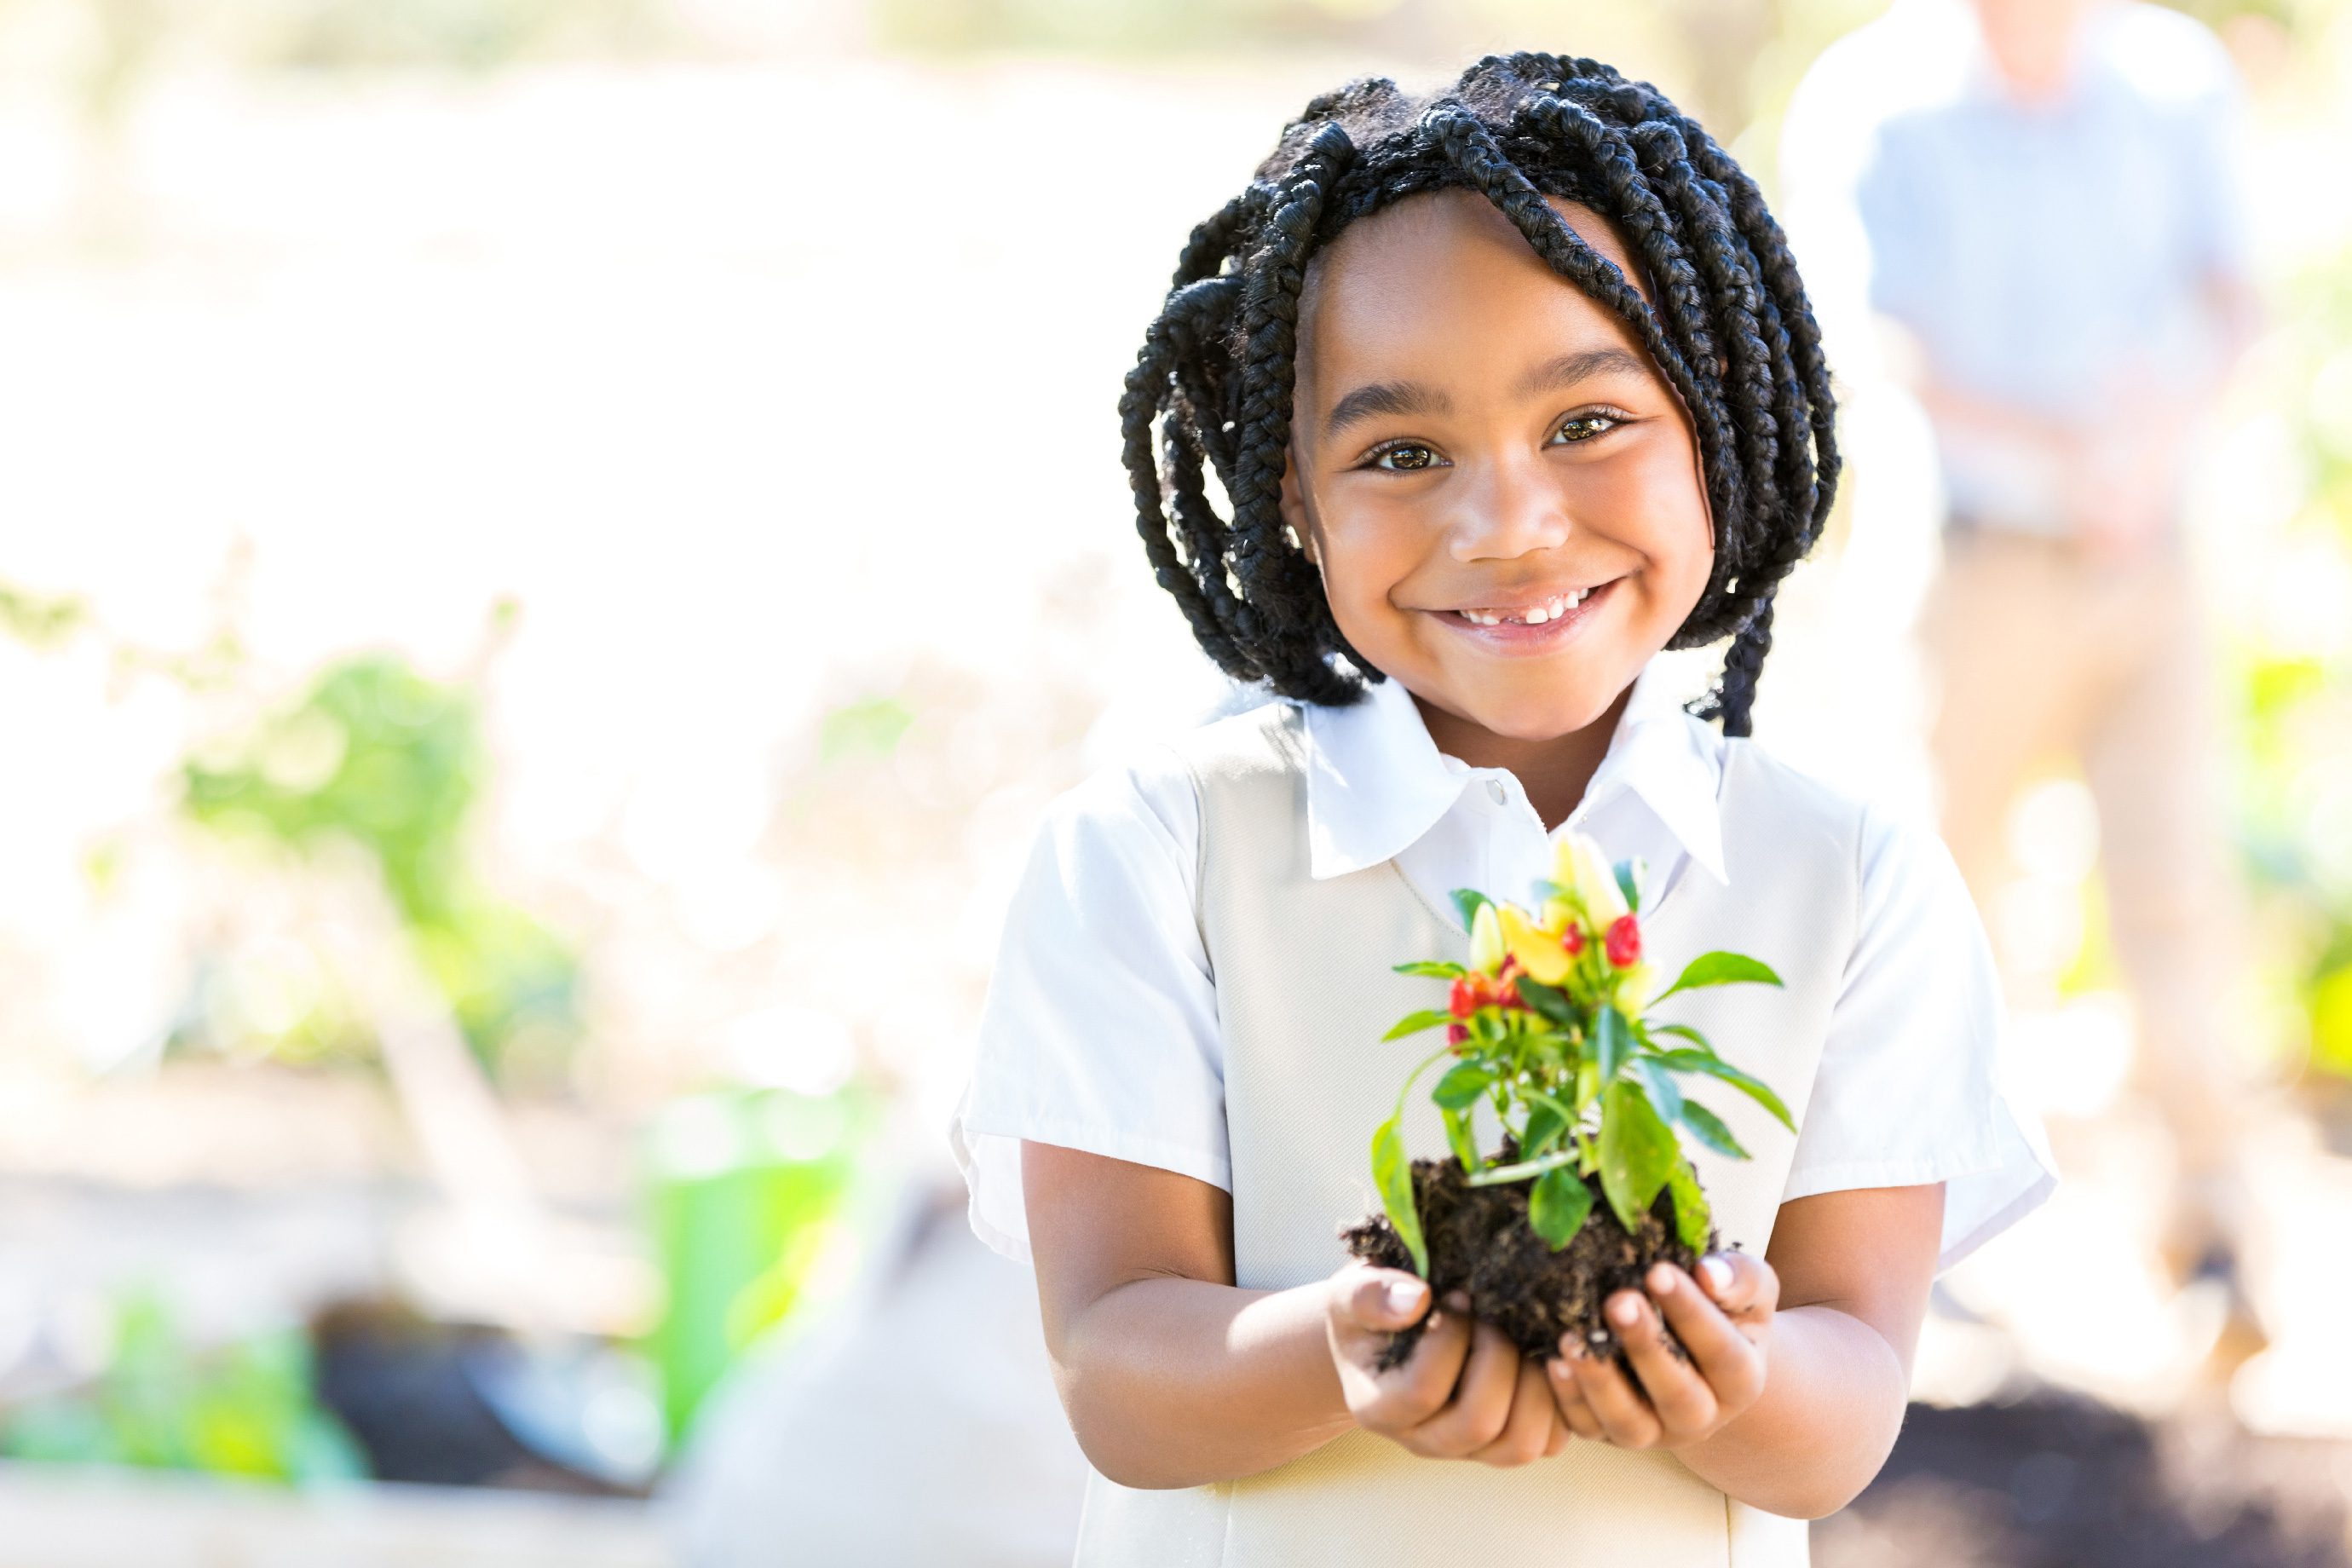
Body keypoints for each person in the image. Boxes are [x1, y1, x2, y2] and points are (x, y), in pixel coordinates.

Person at [950, 55, 2054, 1561]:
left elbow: (1847, 1404)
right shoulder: (1154, 856)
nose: (1509, 524)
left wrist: (1723, 1371)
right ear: (1292, 497)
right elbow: (1116, 1367)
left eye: (1588, 421)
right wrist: (1348, 1350)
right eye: (1401, 454)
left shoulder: (1847, 876)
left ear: (1716, 412)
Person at [1786, 0, 2263, 1332]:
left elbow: (2235, 301)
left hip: (2150, 560)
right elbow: (1876, 341)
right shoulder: (1875, 98)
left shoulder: (2176, 77)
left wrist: (2152, 443)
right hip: (1971, 567)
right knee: (1936, 910)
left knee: (2178, 890)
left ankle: (2210, 1229)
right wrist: (2070, 450)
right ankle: (1901, 1263)